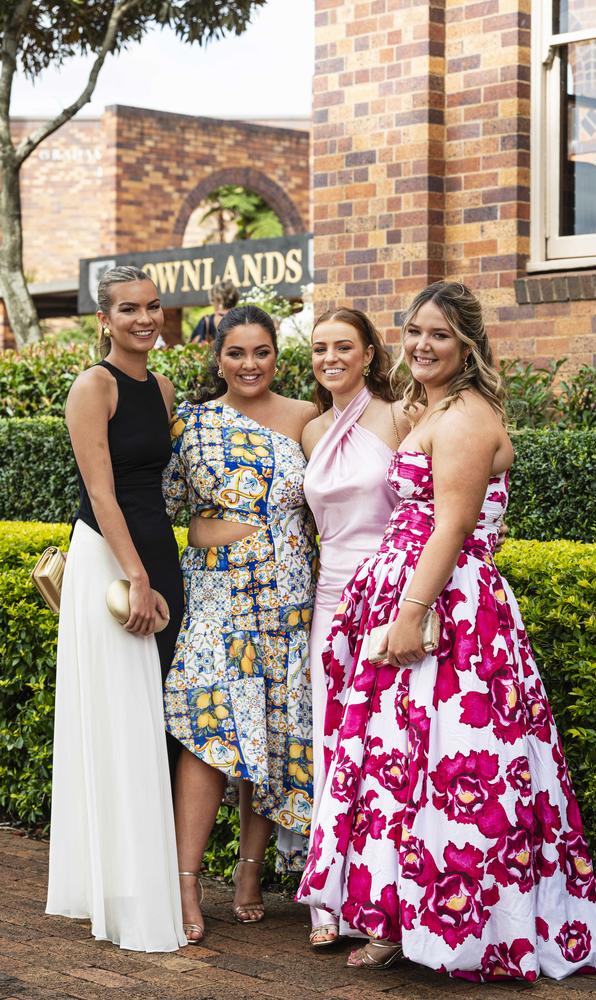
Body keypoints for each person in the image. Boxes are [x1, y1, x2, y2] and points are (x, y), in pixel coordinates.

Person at [297, 282, 596, 980]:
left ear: (468, 343)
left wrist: (411, 612)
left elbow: (453, 526)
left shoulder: (469, 416)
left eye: (438, 334)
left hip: (451, 613)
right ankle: (402, 919)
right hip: (414, 599)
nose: (421, 345)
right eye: (413, 332)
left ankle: (469, 933)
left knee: (453, 768)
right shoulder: (432, 408)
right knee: (400, 769)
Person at [163, 305, 317, 943]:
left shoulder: (308, 418)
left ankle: (250, 872)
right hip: (218, 598)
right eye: (236, 353)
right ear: (217, 358)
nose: (250, 364)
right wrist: (204, 528)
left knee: (272, 731)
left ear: (278, 355)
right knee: (209, 730)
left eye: (262, 352)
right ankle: (184, 880)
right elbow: (163, 503)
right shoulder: (191, 425)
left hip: (290, 599)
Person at [46, 266, 186, 952]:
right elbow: (103, 494)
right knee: (121, 719)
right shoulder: (91, 386)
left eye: (153, 306)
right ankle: (122, 893)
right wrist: (136, 578)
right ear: (105, 319)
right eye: (129, 308)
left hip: (160, 553)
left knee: (155, 720)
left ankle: (146, 877)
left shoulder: (159, 387)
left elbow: (159, 483)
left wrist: (161, 569)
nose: (144, 318)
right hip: (111, 560)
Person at [302, 308, 410, 946]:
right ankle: (329, 904)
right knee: (330, 739)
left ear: (370, 353)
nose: (331, 358)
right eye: (320, 349)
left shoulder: (399, 418)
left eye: (344, 346)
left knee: (383, 745)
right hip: (329, 597)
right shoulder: (312, 431)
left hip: (389, 593)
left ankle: (383, 902)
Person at [190, 278, 240, 344]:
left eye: (213, 300)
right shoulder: (244, 319)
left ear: (217, 299)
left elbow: (192, 346)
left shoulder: (207, 321)